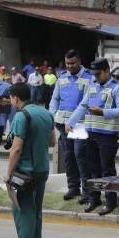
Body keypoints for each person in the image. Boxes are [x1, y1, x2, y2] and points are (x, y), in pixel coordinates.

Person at [67, 58, 119, 216]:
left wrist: (103, 112)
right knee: (92, 168)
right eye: (94, 74)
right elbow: (82, 106)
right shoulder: (92, 85)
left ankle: (110, 202)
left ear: (107, 71)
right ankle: (94, 199)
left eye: (99, 74)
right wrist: (71, 122)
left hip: (107, 135)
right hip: (91, 133)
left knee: (107, 169)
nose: (96, 77)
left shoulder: (117, 88)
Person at [4, 83, 55, 238]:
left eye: (10, 99)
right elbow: (52, 142)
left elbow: (16, 149)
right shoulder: (47, 113)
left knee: (22, 210)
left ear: (16, 98)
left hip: (25, 172)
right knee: (36, 210)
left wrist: (8, 174)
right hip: (42, 169)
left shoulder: (21, 116)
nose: (11, 102)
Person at [49, 49, 92, 202]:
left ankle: (87, 191)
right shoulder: (62, 77)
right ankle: (72, 188)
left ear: (79, 61)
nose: (70, 66)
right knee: (68, 157)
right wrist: (52, 115)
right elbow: (55, 99)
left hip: (79, 124)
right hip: (62, 124)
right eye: (67, 63)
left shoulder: (89, 78)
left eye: (73, 63)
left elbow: (85, 104)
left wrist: (71, 122)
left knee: (80, 155)